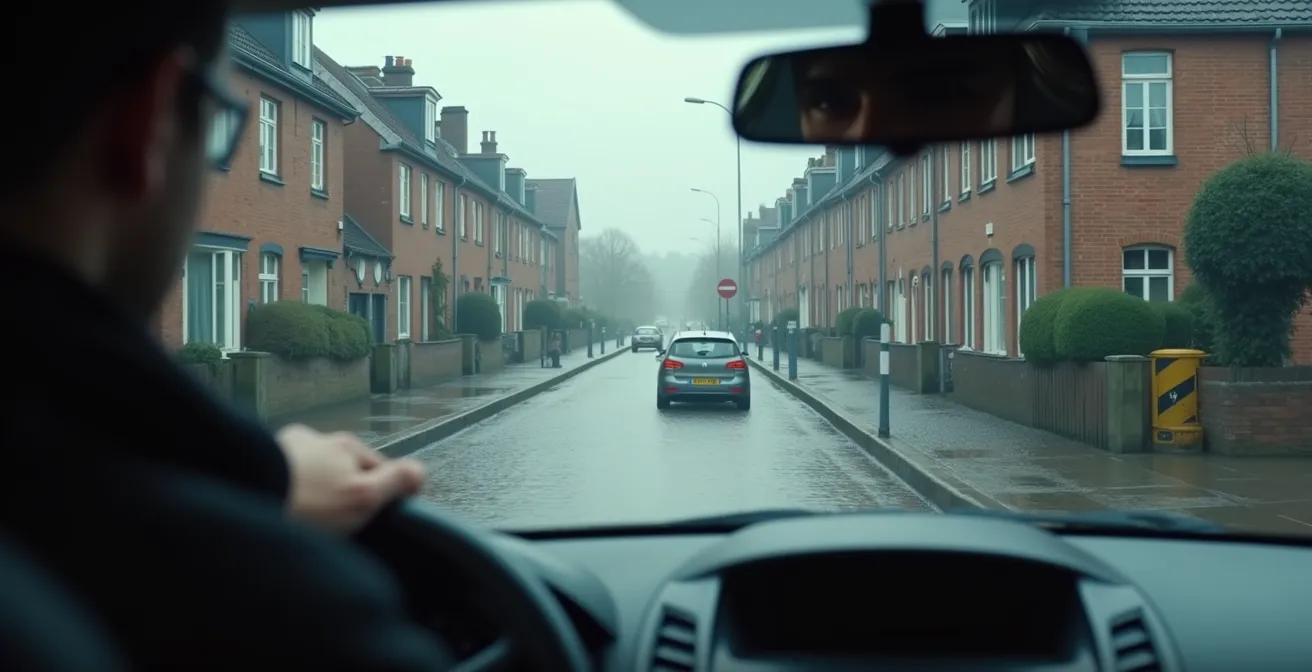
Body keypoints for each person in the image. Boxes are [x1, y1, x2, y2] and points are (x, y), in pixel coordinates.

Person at [0, 1, 453, 669]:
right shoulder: (299, 610)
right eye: (220, 122)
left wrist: (258, 477)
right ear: (149, 124)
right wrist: (244, 493)